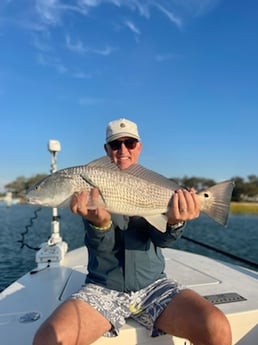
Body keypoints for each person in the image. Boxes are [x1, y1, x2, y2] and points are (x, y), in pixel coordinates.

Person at [33, 118, 232, 345]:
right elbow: (100, 247)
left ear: (139, 146)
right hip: (103, 287)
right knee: (48, 339)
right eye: (116, 145)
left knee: (217, 327)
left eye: (130, 143)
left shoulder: (152, 184)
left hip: (154, 285)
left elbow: (163, 239)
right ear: (106, 149)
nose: (123, 150)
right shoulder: (89, 184)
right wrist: (100, 224)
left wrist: (175, 221)